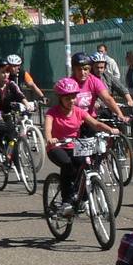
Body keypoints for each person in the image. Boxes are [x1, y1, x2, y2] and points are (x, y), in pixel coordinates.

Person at [44, 77, 118, 216]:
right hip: (57, 147)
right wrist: (50, 139)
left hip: (75, 146)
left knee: (84, 164)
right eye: (67, 98)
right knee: (67, 164)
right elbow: (47, 129)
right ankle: (66, 201)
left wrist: (109, 130)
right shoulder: (52, 112)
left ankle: (82, 197)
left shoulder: (78, 111)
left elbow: (95, 123)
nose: (71, 101)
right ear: (60, 98)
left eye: (73, 97)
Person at [69, 52, 129, 123]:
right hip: (74, 121)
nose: (82, 73)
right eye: (79, 69)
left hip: (91, 120)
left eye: (85, 69)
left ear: (89, 69)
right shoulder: (69, 83)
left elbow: (107, 99)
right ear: (74, 69)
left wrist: (120, 115)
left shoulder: (94, 80)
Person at [0, 63, 27, 154]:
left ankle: (10, 155)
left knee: (12, 135)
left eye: (7, 72)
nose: (6, 75)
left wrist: (26, 104)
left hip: (7, 114)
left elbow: (19, 94)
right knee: (0, 129)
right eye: (2, 72)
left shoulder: (11, 84)